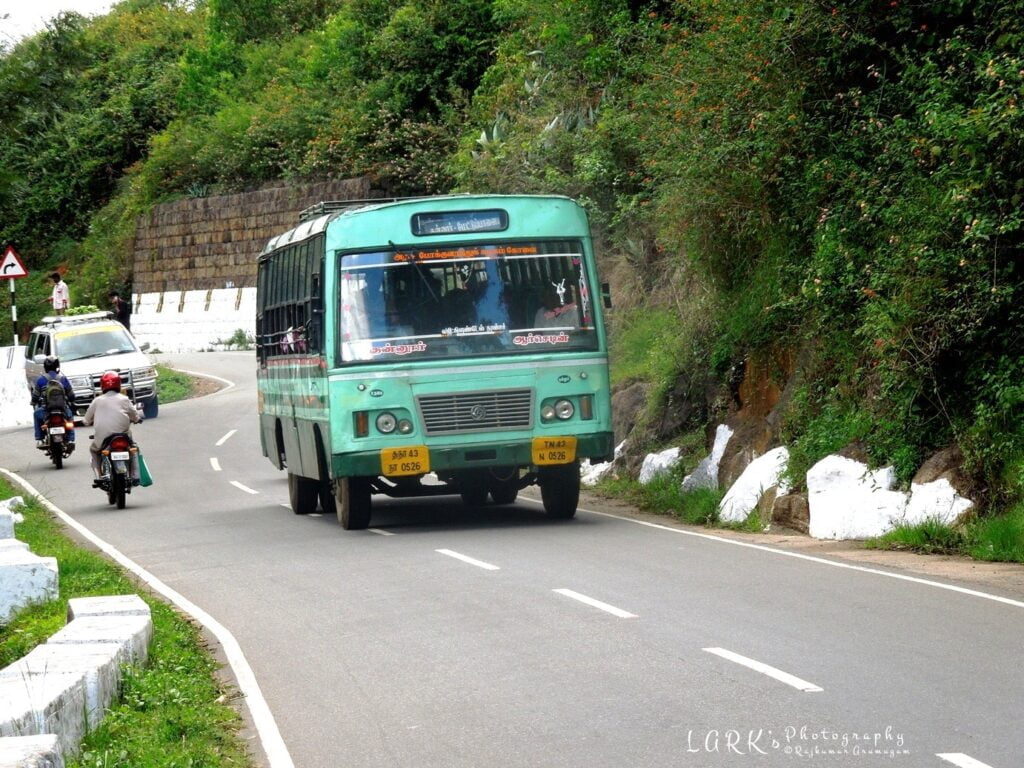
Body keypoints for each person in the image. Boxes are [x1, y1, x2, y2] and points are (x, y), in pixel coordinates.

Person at [82, 370, 142, 486]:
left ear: (102, 385)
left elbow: (86, 420)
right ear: (119, 384)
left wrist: (86, 422)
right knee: (133, 449)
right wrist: (137, 419)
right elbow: (135, 415)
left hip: (103, 439)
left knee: (94, 451)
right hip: (123, 436)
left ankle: (99, 476)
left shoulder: (97, 400)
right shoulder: (124, 399)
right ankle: (135, 476)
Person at [31, 356, 75, 449]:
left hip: (46, 411)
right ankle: (71, 439)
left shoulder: (40, 380)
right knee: (70, 417)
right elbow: (71, 395)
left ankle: (39, 438)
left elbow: (35, 396)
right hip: (62, 410)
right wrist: (72, 400)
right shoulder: (63, 378)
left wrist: (33, 402)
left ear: (45, 367)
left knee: (36, 414)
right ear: (57, 366)